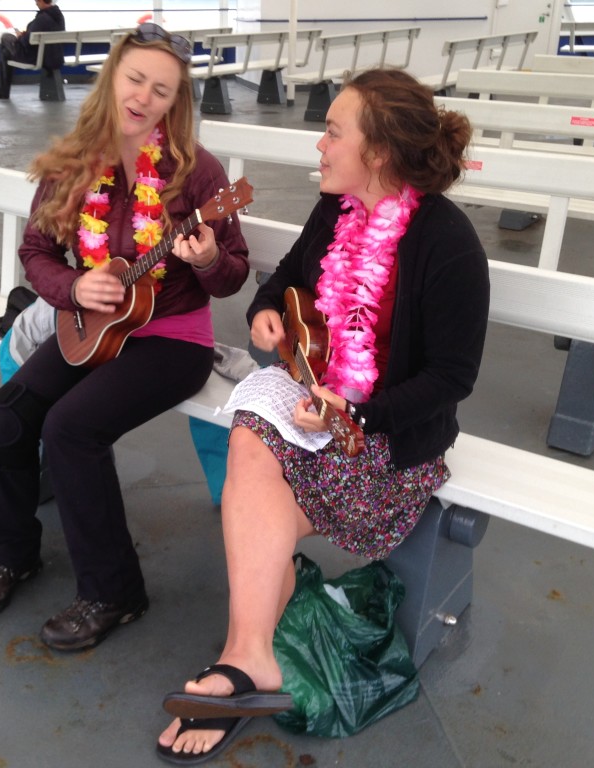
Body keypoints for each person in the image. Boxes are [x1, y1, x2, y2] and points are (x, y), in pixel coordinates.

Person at [156, 67, 490, 764]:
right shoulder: (336, 211)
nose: (319, 145)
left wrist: (360, 413)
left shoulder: (447, 242)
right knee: (251, 435)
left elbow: (453, 377)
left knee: (259, 478)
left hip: (389, 444)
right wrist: (268, 314)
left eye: (333, 131)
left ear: (377, 152)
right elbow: (281, 282)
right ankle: (249, 657)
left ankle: (242, 662)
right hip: (317, 406)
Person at [0, 24, 250, 653]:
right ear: (113, 76)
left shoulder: (198, 174)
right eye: (136, 79)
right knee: (7, 415)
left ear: (178, 102)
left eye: (163, 90)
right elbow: (36, 249)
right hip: (92, 327)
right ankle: (12, 552)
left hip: (172, 340)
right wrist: (71, 288)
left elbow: (231, 275)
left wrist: (202, 260)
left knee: (71, 427)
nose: (145, 96)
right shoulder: (74, 159)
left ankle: (115, 592)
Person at [0, 0, 65, 99]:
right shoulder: (58, 16)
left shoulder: (42, 18)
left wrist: (20, 36)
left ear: (41, 1)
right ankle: (2, 83)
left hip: (36, 57)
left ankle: (3, 91)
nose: (36, 3)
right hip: (53, 55)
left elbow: (27, 42)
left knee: (6, 38)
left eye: (36, 1)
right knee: (5, 53)